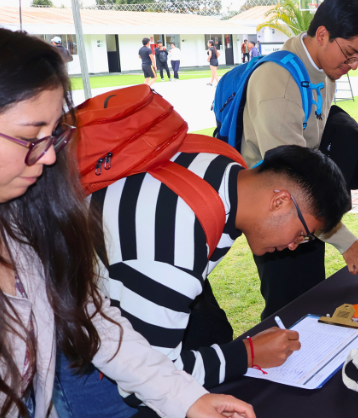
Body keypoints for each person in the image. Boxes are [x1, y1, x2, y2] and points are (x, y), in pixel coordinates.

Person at [0, 28, 254, 418]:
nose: (49, 157)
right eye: (31, 136)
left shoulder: (26, 218)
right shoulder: (173, 239)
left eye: (55, 135)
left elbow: (96, 318)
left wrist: (187, 399)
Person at [55, 144, 351, 416]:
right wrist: (247, 354)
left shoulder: (223, 169)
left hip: (98, 305)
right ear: (281, 201)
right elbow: (145, 384)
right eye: (302, 234)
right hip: (80, 349)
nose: (294, 245)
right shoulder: (171, 245)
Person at [241, 0, 358, 319]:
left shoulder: (321, 72)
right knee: (289, 304)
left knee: (309, 294)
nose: (353, 65)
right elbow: (289, 182)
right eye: (349, 54)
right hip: (276, 212)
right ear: (322, 35)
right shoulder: (277, 84)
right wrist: (345, 240)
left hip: (305, 209)